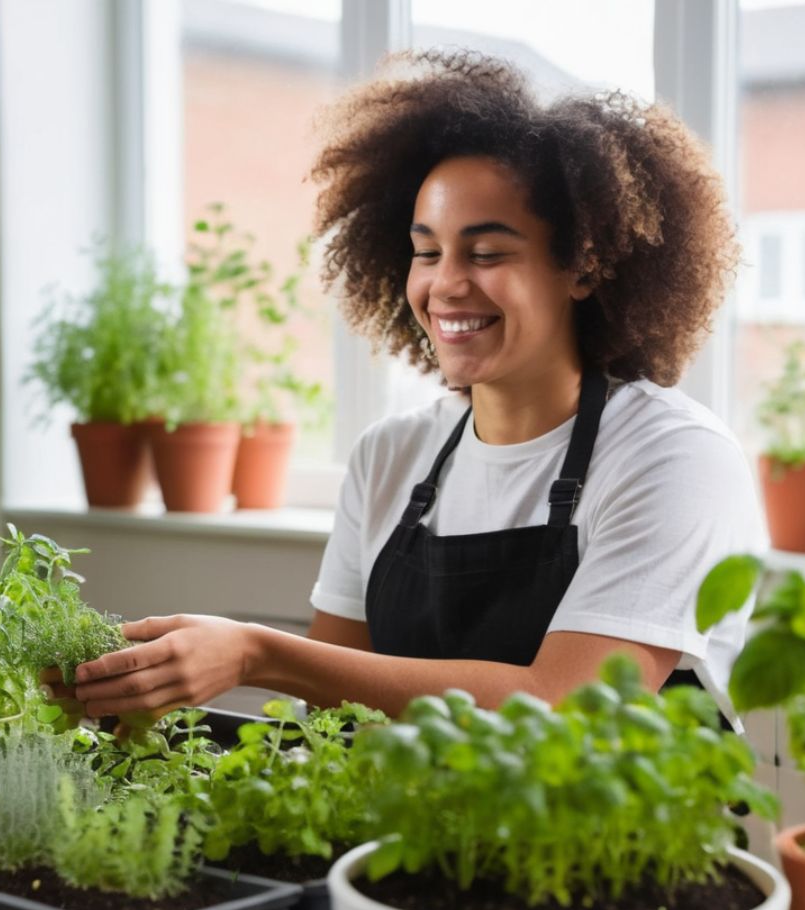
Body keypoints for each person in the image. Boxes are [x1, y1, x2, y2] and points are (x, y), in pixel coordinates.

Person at [59, 50, 763, 725]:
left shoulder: (672, 457)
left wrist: (254, 652)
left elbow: (564, 706)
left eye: (486, 253)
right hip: (423, 838)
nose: (445, 285)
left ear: (583, 268)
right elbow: (333, 705)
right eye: (426, 252)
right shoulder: (392, 455)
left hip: (630, 845)